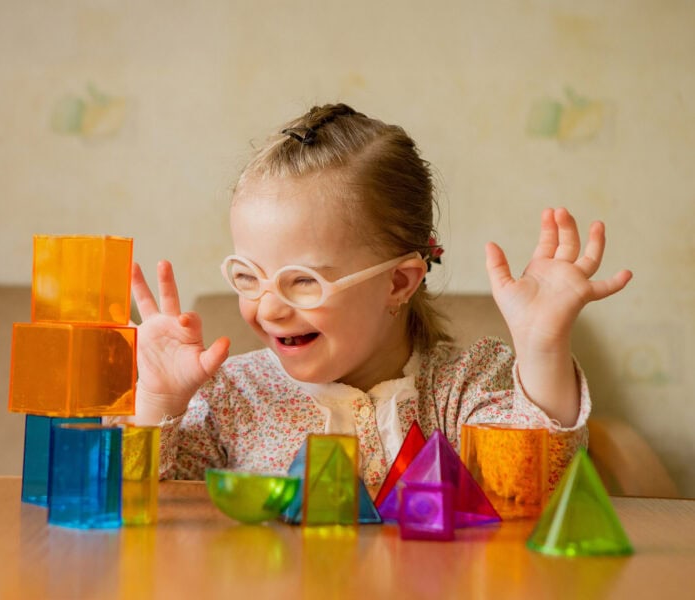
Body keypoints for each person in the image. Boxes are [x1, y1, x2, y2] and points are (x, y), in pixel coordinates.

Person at [128, 103, 632, 492]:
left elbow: (533, 485)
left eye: (302, 280)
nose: (268, 308)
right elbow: (141, 515)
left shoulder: (466, 391)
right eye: (248, 276)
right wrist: (157, 403)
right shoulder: (232, 396)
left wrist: (543, 348)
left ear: (398, 283)